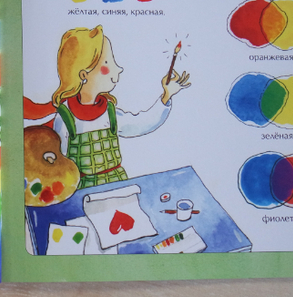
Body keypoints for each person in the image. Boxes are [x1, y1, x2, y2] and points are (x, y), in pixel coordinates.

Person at [51, 25, 190, 189]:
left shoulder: (109, 112)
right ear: (83, 74)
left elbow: (142, 123)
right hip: (83, 191)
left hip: (116, 186)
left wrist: (166, 96)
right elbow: (60, 162)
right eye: (107, 63)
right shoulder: (65, 117)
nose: (118, 69)